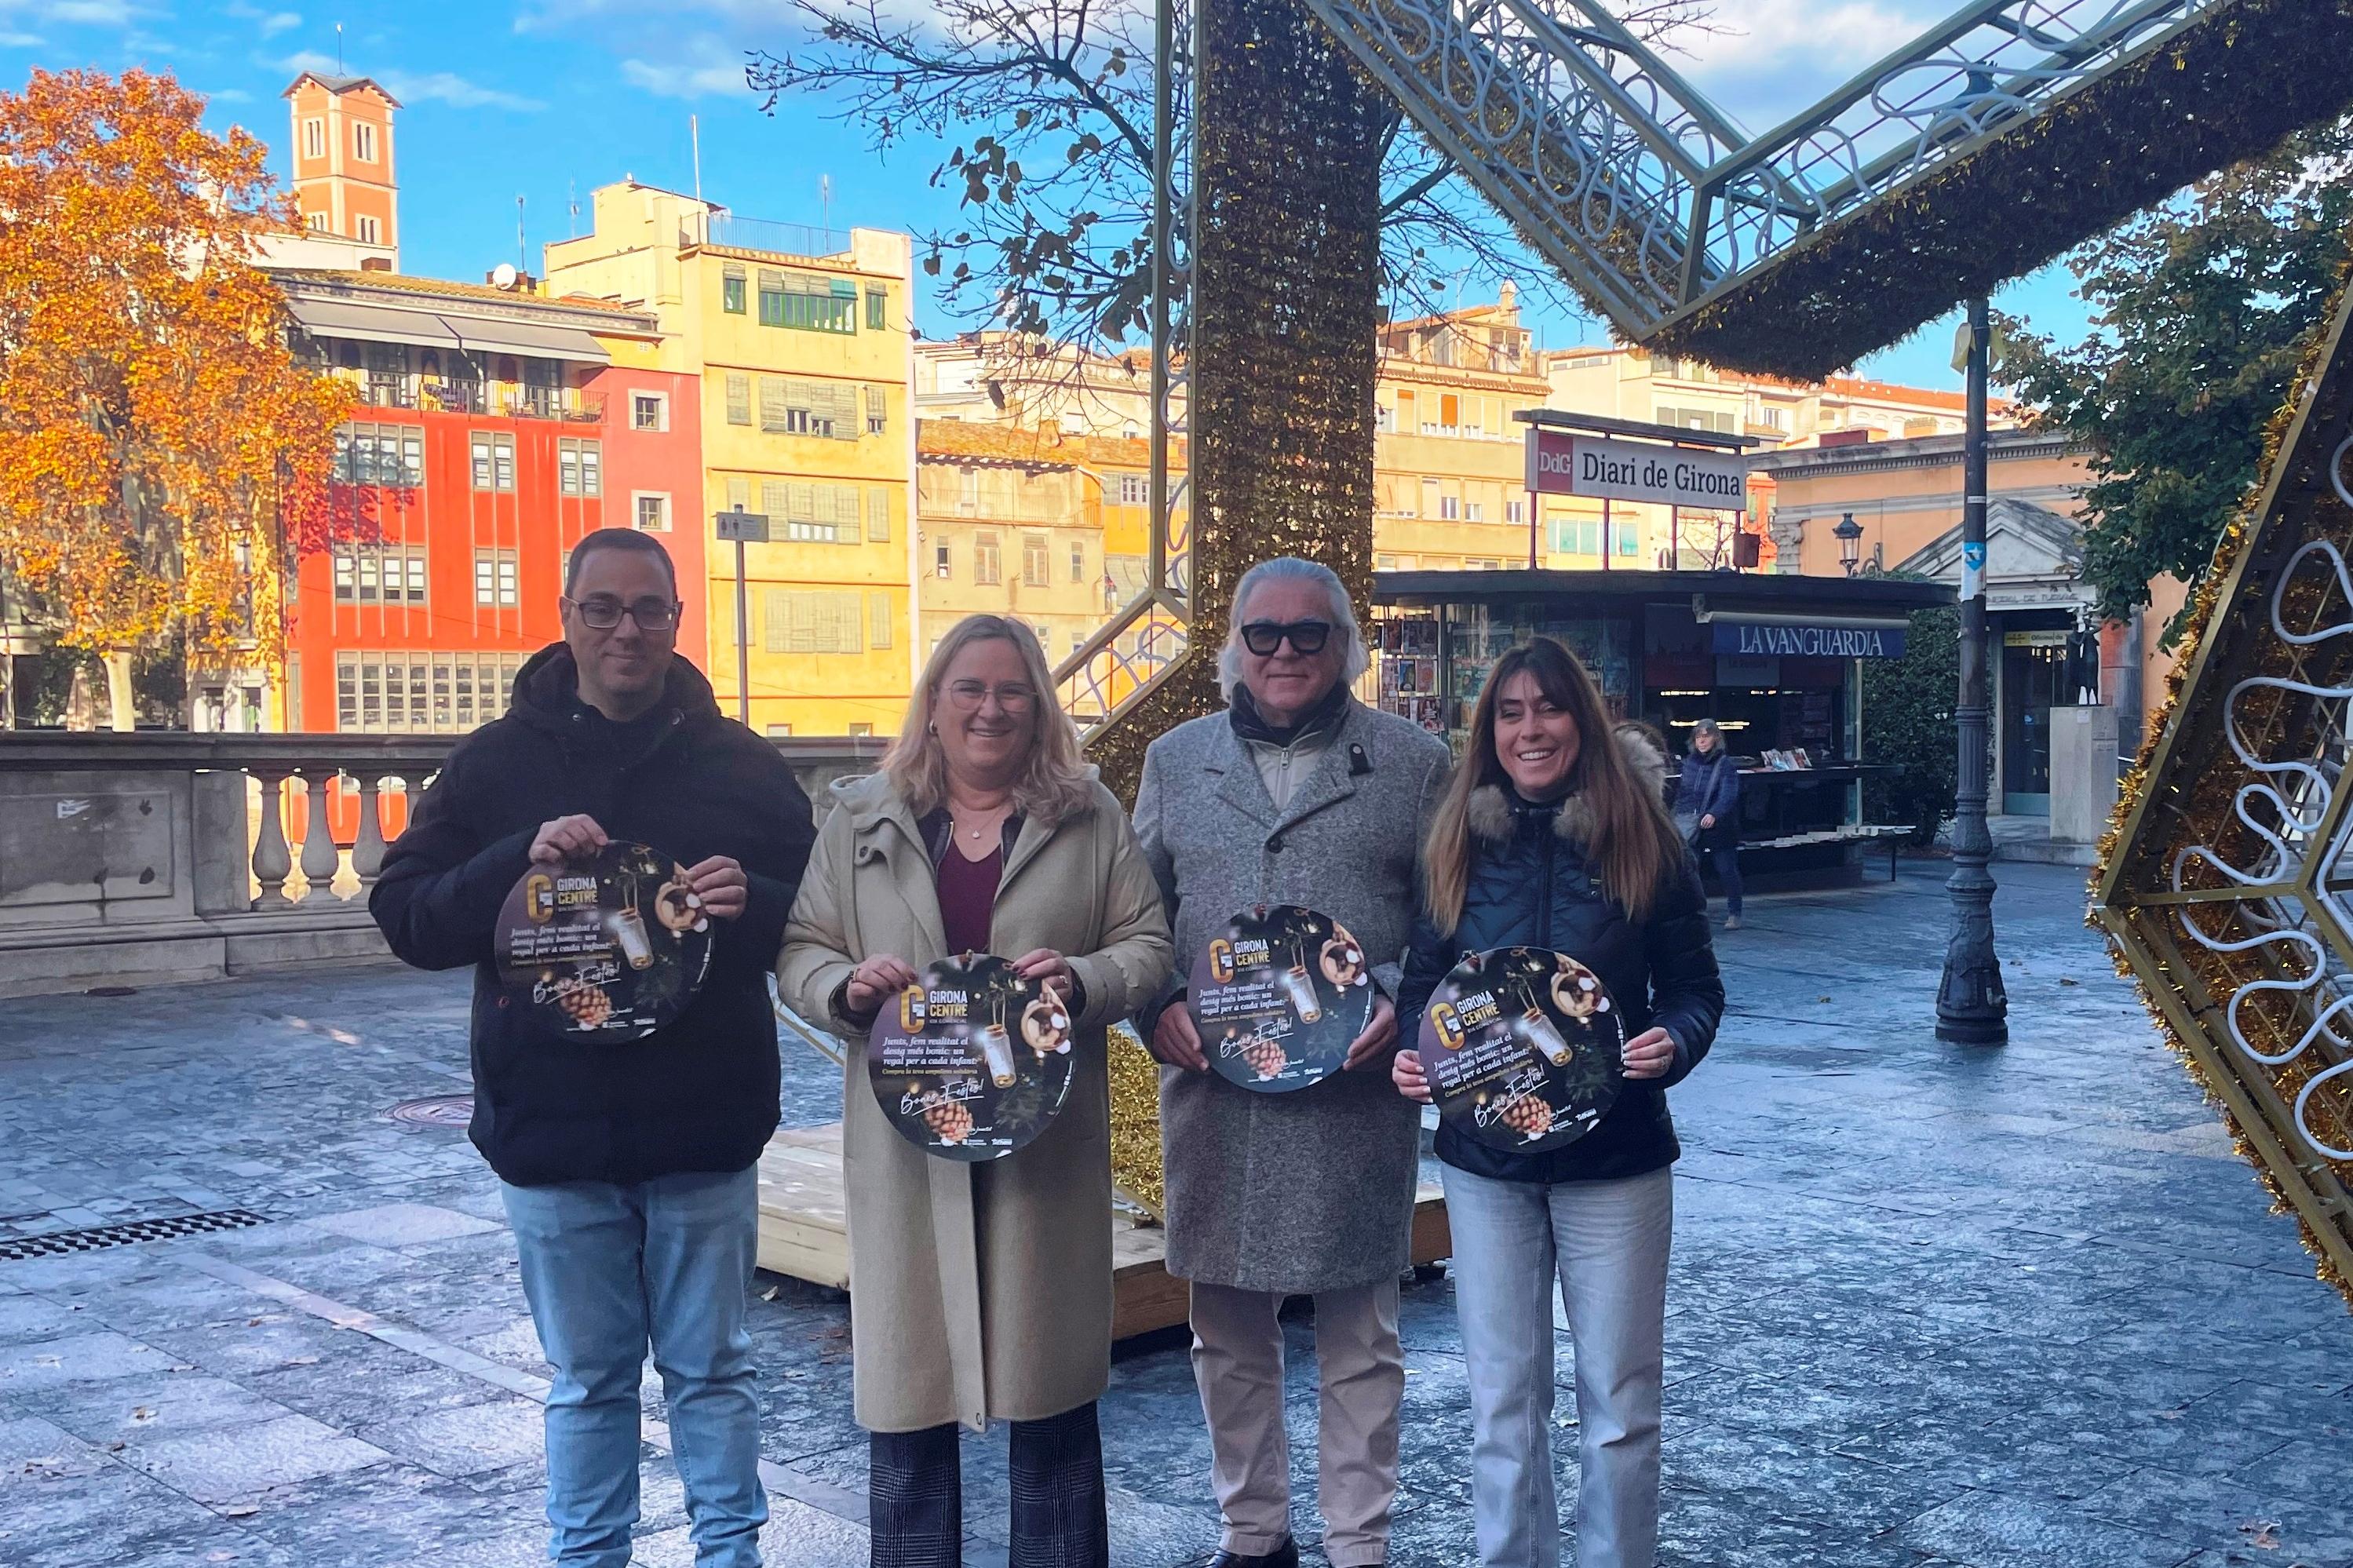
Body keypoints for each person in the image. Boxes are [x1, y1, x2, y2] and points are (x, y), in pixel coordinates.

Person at [371, 528, 816, 1568]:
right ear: (567, 618)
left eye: (649, 608)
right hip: (553, 1129)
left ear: (677, 620)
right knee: (587, 1382)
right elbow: (407, 919)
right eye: (603, 607)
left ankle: (731, 1556)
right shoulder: (493, 763)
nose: (627, 629)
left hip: (703, 1122)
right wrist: (510, 864)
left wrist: (755, 901)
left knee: (713, 1372)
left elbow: (829, 920)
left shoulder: (742, 765)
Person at [775, 614, 1173, 1568]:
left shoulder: (1088, 815)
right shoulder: (861, 818)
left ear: (1038, 706)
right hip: (908, 1147)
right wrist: (845, 989)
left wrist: (1084, 978)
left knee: (1051, 1405)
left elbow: (1148, 946)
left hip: (1043, 1148)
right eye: (969, 688)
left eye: (1011, 690)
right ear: (934, 703)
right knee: (909, 1404)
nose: (989, 709)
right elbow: (800, 951)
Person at [1133, 557, 1452, 1568]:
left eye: (1307, 633)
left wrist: (1398, 997)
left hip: (1352, 1093)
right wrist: (1154, 1003)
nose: (1282, 651)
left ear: (1344, 646)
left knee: (1361, 1336)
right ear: (1233, 643)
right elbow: (1135, 917)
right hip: (1214, 1091)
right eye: (1261, 633)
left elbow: (1449, 923)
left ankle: (1359, 1545)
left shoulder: (1415, 763)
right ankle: (1252, 1534)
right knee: (1225, 1329)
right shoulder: (1174, 760)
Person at [1392, 637, 1724, 1568]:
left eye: (1547, 708)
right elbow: (1423, 991)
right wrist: (1417, 1055)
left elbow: (1695, 989)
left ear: (1582, 719)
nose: (1529, 729)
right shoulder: (1454, 845)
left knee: (1620, 1402)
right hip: (1486, 1165)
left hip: (1616, 1160)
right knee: (1503, 1400)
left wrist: (1675, 1041)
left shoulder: (1643, 840)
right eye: (1509, 713)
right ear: (1488, 732)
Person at [1673, 717, 1744, 929]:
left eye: (1706, 736)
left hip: (1720, 828)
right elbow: (1682, 795)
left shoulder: (1725, 765)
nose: (1702, 741)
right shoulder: (1688, 764)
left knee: (1726, 869)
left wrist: (1714, 813)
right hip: (1692, 826)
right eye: (1698, 737)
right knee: (1689, 872)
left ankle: (1735, 912)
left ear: (1716, 739)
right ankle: (1691, 912)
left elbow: (1729, 794)